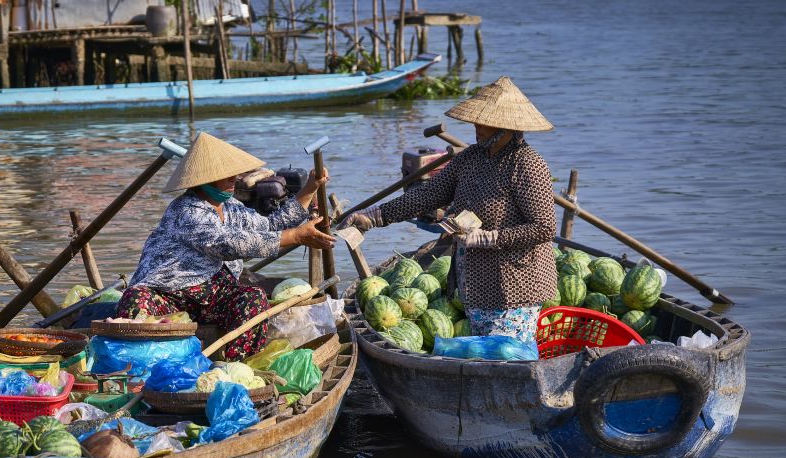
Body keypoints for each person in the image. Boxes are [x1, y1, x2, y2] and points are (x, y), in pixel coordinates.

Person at [340, 76, 558, 344]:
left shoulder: (527, 165)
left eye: (485, 123)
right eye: (476, 120)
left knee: (506, 357)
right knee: (484, 356)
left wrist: (488, 238)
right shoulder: (470, 158)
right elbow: (427, 195)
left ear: (506, 127)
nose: (477, 127)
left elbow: (544, 227)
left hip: (515, 284)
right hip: (476, 280)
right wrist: (375, 217)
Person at [116, 131, 335, 361]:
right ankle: (140, 371)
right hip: (168, 295)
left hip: (213, 297)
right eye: (225, 174)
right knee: (134, 300)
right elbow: (229, 245)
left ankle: (228, 367)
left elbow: (271, 225)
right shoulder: (187, 210)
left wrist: (310, 188)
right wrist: (297, 237)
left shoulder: (230, 206)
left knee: (252, 299)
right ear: (204, 180)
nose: (234, 177)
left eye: (234, 173)